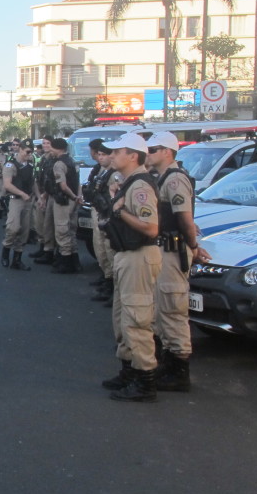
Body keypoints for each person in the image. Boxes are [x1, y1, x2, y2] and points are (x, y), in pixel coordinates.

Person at [147, 130, 211, 392]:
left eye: (152, 150)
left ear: (166, 152)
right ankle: (168, 361)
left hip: (174, 251)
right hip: (165, 249)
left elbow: (185, 219)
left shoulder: (174, 180)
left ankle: (179, 368)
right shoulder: (162, 178)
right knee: (162, 307)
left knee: (173, 307)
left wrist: (194, 247)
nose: (148, 154)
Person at [99, 132, 161, 402]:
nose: (111, 156)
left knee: (137, 319)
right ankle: (129, 370)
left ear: (133, 155)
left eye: (117, 151)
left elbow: (151, 227)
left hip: (139, 255)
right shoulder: (128, 183)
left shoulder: (140, 187)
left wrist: (121, 211)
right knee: (122, 317)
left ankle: (145, 380)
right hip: (127, 254)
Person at [82, 139, 115, 304]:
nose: (99, 157)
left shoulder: (114, 174)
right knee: (101, 248)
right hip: (99, 212)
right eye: (99, 154)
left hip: (106, 214)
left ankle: (111, 285)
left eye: (104, 155)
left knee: (109, 250)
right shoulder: (101, 171)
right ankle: (106, 278)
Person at [46, 138, 83, 273]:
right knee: (71, 230)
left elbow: (63, 185)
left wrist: (72, 196)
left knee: (62, 231)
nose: (50, 150)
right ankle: (75, 261)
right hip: (74, 201)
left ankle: (66, 262)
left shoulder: (59, 164)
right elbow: (78, 182)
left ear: (58, 149)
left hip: (64, 201)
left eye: (52, 148)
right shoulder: (73, 161)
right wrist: (77, 197)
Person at [0, 143, 35, 270]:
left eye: (31, 152)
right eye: (27, 152)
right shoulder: (11, 165)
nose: (29, 154)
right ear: (20, 150)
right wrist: (22, 194)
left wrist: (40, 197)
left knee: (24, 231)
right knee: (13, 228)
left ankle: (17, 259)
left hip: (28, 200)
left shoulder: (30, 165)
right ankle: (6, 252)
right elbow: (7, 185)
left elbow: (33, 183)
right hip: (16, 200)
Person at [31, 136, 57, 263]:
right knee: (39, 223)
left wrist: (45, 195)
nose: (46, 145)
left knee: (48, 225)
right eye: (44, 143)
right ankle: (42, 247)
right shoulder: (42, 158)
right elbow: (37, 177)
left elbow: (52, 181)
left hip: (48, 195)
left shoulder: (53, 159)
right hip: (40, 194)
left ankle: (49, 251)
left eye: (48, 143)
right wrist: (38, 195)